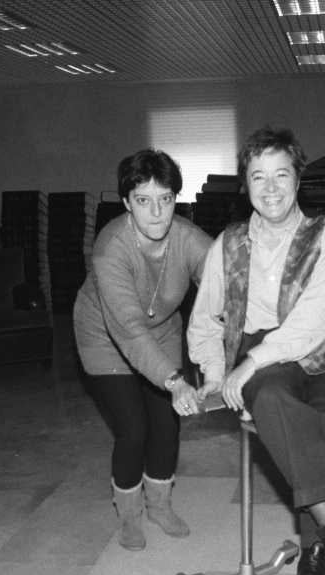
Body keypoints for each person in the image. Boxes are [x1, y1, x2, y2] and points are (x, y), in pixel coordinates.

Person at [187, 126, 325, 575]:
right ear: (245, 185)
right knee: (269, 398)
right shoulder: (226, 246)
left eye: (281, 175)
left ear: (298, 180)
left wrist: (251, 360)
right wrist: (213, 374)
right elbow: (205, 318)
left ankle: (313, 555)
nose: (270, 188)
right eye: (257, 177)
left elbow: (316, 316)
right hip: (263, 355)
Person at [73, 149, 212, 550]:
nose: (156, 212)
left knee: (167, 425)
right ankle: (130, 516)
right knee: (133, 429)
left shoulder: (188, 240)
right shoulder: (111, 247)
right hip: (105, 336)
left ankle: (160, 506)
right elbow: (129, 329)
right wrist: (175, 380)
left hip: (163, 331)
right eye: (143, 200)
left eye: (165, 199)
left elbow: (226, 286)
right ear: (126, 203)